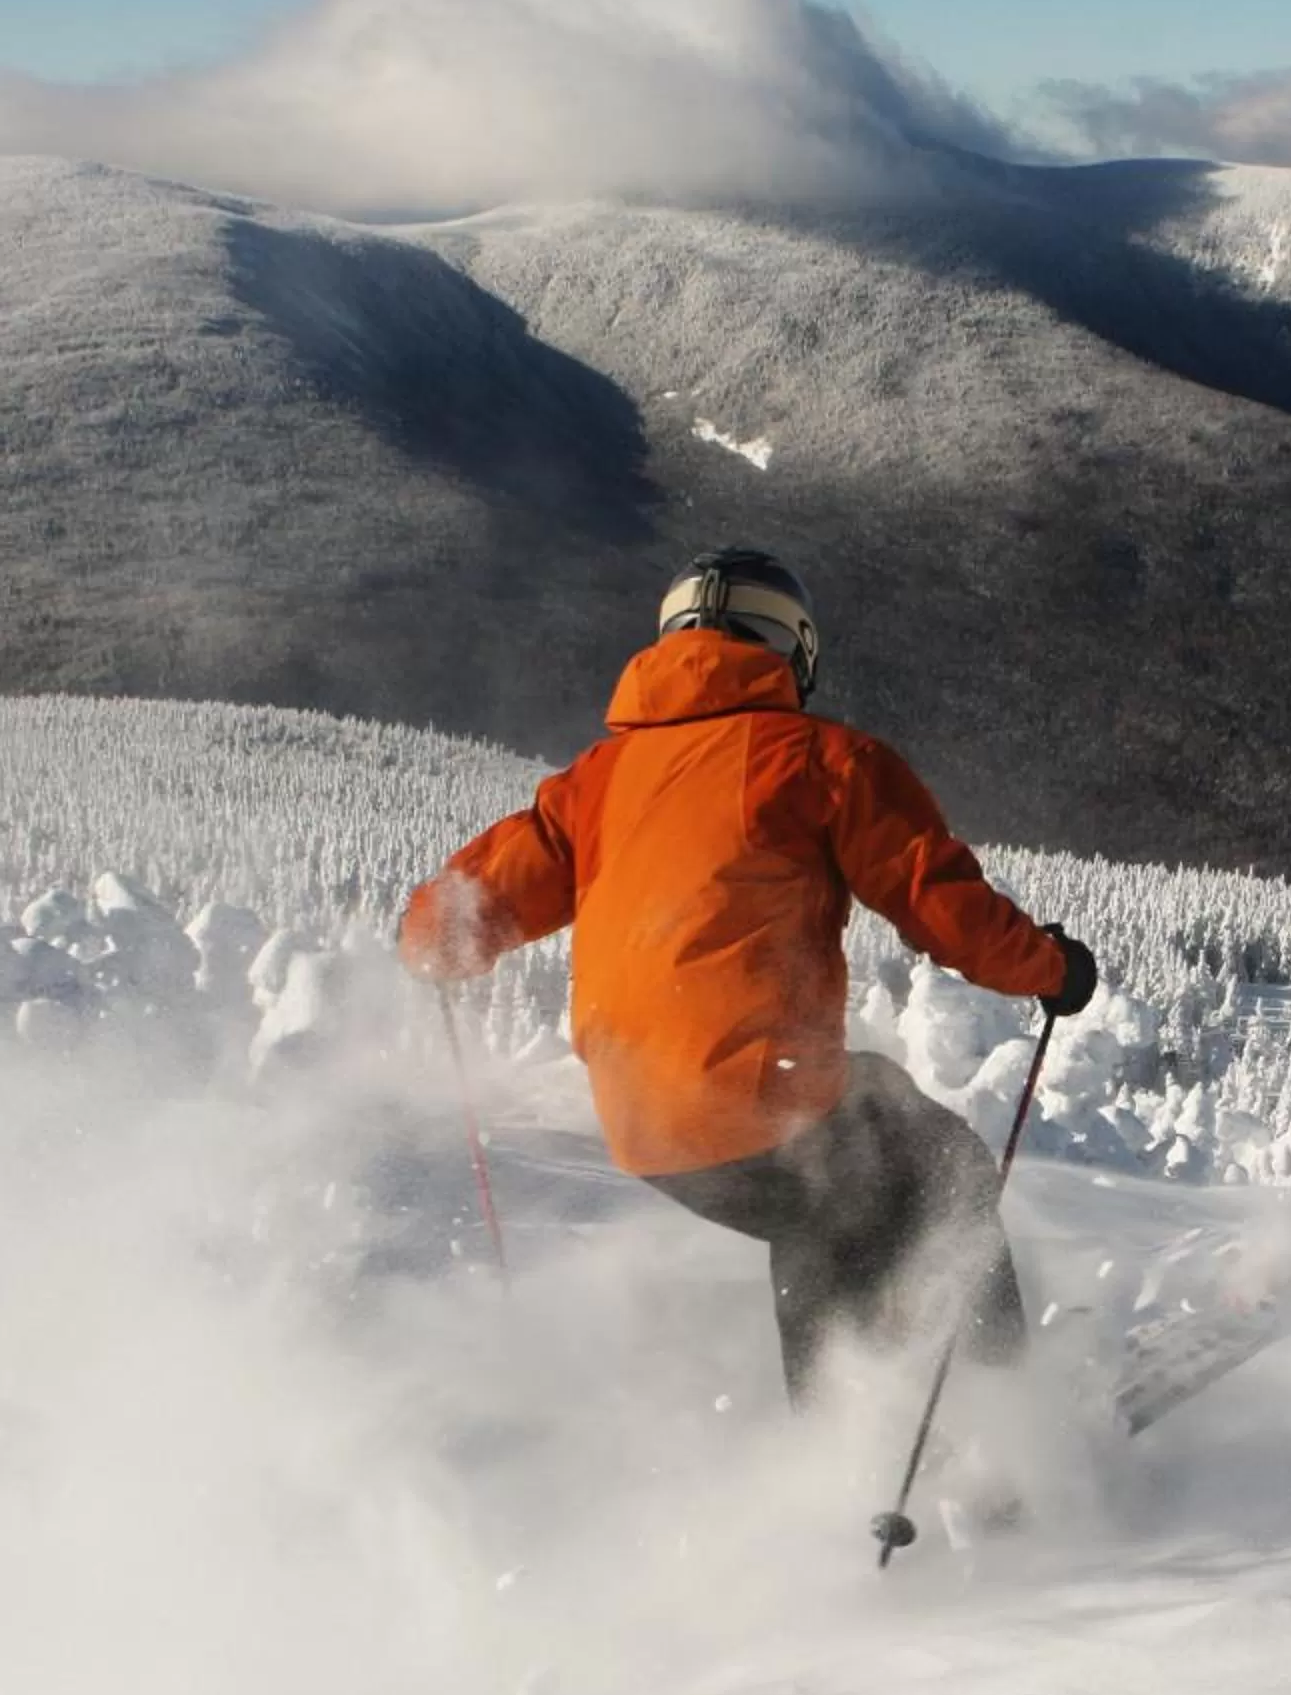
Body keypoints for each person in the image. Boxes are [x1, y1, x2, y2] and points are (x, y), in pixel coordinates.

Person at [399, 548, 1097, 1406]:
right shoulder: (821, 761)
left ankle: (866, 1424)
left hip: (643, 1124)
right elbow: (940, 907)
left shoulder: (594, 783)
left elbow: (456, 914)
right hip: (766, 1097)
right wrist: (1053, 968)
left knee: (847, 1162)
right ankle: (992, 1409)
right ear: (793, 651)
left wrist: (432, 942)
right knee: (931, 1170)